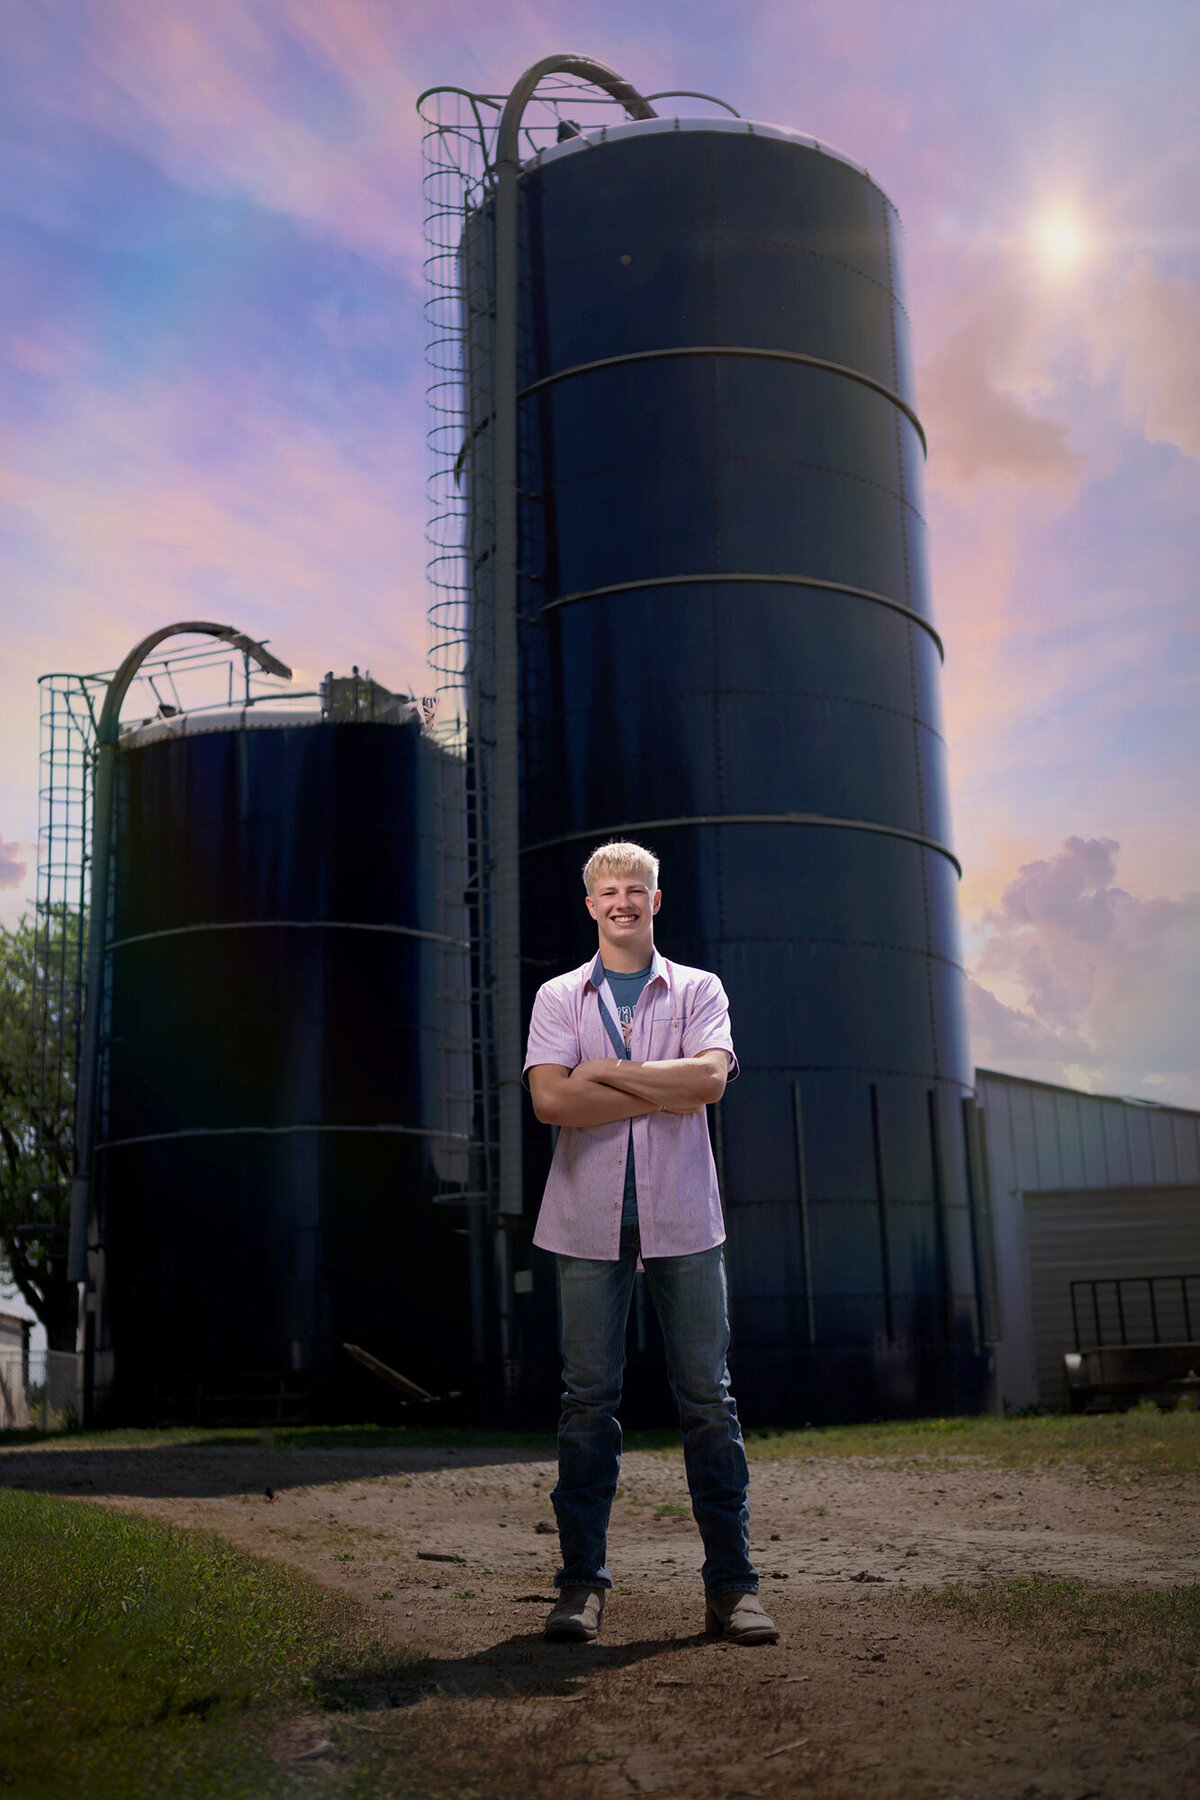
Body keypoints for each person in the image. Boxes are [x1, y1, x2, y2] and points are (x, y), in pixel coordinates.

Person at [523, 840, 778, 1647]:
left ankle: (732, 1590)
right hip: (585, 1221)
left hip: (683, 1220)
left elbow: (706, 1084)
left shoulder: (699, 987)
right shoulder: (558, 995)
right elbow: (550, 1106)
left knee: (708, 1399)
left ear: (656, 902)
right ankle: (579, 1589)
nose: (623, 903)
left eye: (637, 890)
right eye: (609, 892)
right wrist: (651, 1081)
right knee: (586, 1404)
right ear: (590, 904)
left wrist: (604, 1074)